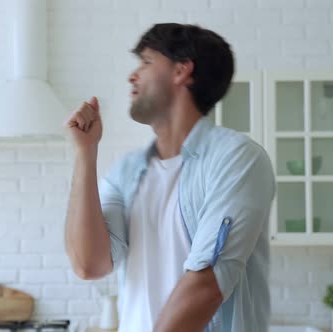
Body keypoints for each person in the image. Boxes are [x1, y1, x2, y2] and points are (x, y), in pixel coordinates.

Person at [64, 23, 276, 332]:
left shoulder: (236, 159)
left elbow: (206, 285)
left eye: (147, 62)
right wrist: (85, 153)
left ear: (181, 72)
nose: (132, 75)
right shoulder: (126, 172)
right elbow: (90, 264)